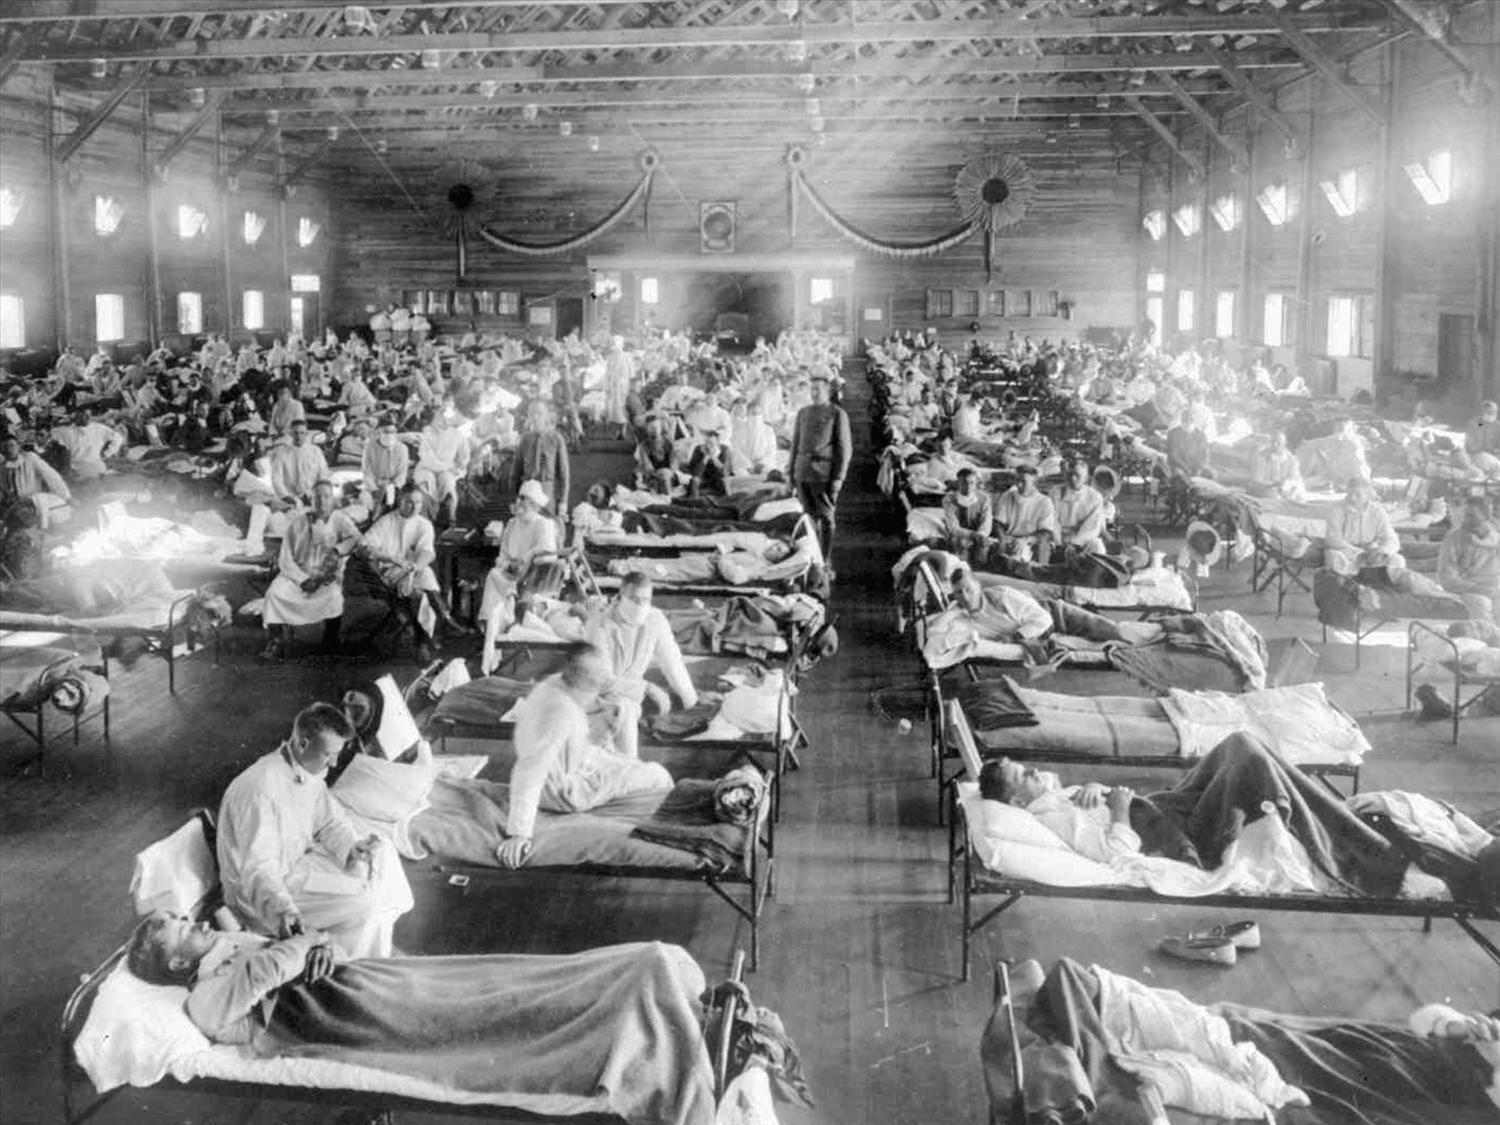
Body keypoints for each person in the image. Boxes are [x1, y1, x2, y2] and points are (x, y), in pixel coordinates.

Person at [977, 731, 1409, 897]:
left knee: (1239, 743)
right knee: (1251, 764)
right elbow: (1113, 854)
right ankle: (1366, 855)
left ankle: (1330, 822)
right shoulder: (1054, 819)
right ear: (1018, 803)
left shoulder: (1051, 797)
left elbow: (1071, 793)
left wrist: (1096, 788)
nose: (1036, 771)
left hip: (1168, 807)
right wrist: (1120, 808)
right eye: (1026, 775)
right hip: (1183, 837)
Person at [215, 703, 412, 960]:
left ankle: (370, 944)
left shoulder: (307, 770)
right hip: (261, 898)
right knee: (364, 901)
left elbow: (330, 822)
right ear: (303, 744)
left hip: (293, 868)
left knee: (382, 851)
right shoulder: (260, 789)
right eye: (329, 754)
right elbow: (257, 869)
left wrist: (352, 847)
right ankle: (353, 966)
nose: (335, 761)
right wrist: (283, 911)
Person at [496, 643, 673, 868]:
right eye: (597, 681)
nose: (602, 685)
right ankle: (664, 830)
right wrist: (519, 833)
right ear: (584, 679)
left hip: (575, 764)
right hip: (565, 792)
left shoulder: (554, 684)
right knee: (658, 774)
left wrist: (647, 688)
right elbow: (530, 770)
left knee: (626, 758)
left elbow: (606, 680)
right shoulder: (560, 712)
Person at [584, 572, 701, 758]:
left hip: (629, 696)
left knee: (628, 709)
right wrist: (647, 687)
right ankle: (629, 766)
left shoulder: (655, 619)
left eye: (645, 600)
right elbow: (599, 680)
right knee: (623, 711)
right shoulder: (601, 622)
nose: (639, 605)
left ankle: (627, 767)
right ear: (621, 595)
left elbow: (672, 660)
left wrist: (691, 700)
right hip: (597, 695)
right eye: (634, 599)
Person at [260, 479, 362, 661]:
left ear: (333, 499)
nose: (322, 502)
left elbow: (356, 537)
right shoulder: (298, 522)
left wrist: (338, 550)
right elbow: (285, 558)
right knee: (274, 594)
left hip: (325, 576)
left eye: (326, 497)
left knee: (333, 597)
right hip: (296, 575)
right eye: (317, 497)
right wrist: (302, 580)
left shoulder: (340, 519)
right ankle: (276, 641)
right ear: (311, 500)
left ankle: (330, 640)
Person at [359, 483, 461, 662]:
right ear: (400, 500)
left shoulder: (424, 524)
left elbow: (427, 552)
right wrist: (391, 558)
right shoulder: (387, 521)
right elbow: (363, 546)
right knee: (418, 594)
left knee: (425, 574)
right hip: (390, 573)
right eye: (409, 502)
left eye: (419, 503)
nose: (414, 507)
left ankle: (439, 624)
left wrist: (414, 567)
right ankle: (427, 636)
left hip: (413, 570)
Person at [478, 478, 561, 648]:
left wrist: (526, 559)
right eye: (520, 499)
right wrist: (508, 565)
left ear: (536, 505)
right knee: (493, 574)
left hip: (532, 576)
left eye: (526, 501)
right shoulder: (511, 524)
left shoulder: (544, 524)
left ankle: (504, 625)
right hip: (510, 573)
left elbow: (548, 552)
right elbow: (502, 555)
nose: (521, 504)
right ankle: (492, 627)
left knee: (503, 582)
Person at [788, 371, 851, 563]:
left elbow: (844, 448)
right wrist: (791, 472)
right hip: (802, 471)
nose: (814, 393)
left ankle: (826, 558)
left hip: (823, 474)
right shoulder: (803, 412)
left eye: (818, 389)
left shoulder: (836, 413)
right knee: (808, 518)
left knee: (826, 517)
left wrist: (838, 477)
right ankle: (813, 558)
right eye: (812, 389)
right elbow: (795, 445)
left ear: (828, 391)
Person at [1323, 476, 1405, 577]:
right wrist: (1359, 554)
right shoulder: (1336, 509)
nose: (1353, 498)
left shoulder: (1377, 511)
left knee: (1398, 560)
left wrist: (1382, 551)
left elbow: (1391, 538)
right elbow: (1333, 540)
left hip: (1371, 553)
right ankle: (1354, 578)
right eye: (1350, 494)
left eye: (1358, 495)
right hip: (1345, 552)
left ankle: (1378, 578)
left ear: (1367, 495)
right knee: (1333, 558)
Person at [1437, 496, 1500, 625]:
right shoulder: (1453, 539)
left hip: (1494, 588)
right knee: (1480, 603)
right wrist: (1478, 588)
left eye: (1472, 516)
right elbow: (1446, 578)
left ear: (1486, 518)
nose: (1466, 520)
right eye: (1465, 515)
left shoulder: (1496, 539)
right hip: (1469, 589)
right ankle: (1490, 639)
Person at [413, 401, 470, 526]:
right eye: (441, 415)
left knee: (448, 486)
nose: (445, 420)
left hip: (447, 471)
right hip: (426, 468)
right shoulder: (427, 431)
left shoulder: (457, 434)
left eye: (448, 417)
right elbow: (426, 456)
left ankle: (451, 520)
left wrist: (459, 467)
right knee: (425, 484)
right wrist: (446, 466)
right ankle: (424, 522)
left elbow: (463, 457)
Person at [511, 399, 571, 516]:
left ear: (546, 416)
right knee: (526, 526)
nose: (535, 417)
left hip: (546, 489)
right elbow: (515, 473)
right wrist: (514, 498)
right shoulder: (524, 439)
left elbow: (564, 474)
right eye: (532, 414)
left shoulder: (556, 439)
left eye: (539, 413)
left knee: (547, 527)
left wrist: (563, 501)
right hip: (527, 489)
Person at [0, 431, 71, 528]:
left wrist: (64, 496)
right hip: (14, 509)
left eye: (11, 445)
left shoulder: (30, 458)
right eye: (4, 447)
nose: (8, 449)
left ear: (18, 446)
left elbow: (51, 476)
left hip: (34, 505)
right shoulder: (2, 468)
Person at [991, 464, 1059, 564]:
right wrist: (1003, 538)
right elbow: (998, 522)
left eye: (1023, 481)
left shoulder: (1044, 502)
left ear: (1034, 482)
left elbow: (1045, 532)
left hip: (1032, 541)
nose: (1018, 485)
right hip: (1010, 539)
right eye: (1017, 480)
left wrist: (1025, 540)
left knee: (1025, 561)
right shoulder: (1008, 496)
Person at [1051, 459, 1108, 556]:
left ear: (1086, 478)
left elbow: (1092, 525)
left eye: (1077, 475)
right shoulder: (1055, 493)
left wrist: (1074, 542)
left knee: (1098, 547)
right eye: (1070, 475)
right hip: (1059, 537)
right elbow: (1052, 520)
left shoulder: (1094, 497)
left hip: (1083, 538)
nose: (1073, 478)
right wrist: (1059, 541)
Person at [268, 418, 330, 506]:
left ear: (306, 434)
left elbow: (323, 474)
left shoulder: (316, 451)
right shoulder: (281, 452)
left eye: (302, 433)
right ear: (290, 434)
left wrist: (316, 494)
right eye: (295, 433)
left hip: (313, 496)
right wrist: (285, 496)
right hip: (290, 497)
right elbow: (276, 477)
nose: (299, 436)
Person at [51, 409, 123, 480]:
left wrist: (107, 453)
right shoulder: (99, 428)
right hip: (94, 469)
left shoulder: (64, 431)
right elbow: (118, 438)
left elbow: (118, 438)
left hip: (80, 471)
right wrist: (107, 454)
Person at [360, 414, 410, 514]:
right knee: (366, 502)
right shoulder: (370, 447)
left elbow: (402, 473)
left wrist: (395, 488)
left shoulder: (402, 449)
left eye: (392, 432)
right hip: (374, 486)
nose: (389, 435)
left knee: (395, 507)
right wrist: (374, 490)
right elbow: (367, 472)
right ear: (379, 432)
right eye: (386, 432)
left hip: (393, 486)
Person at [942, 468, 994, 564]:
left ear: (976, 483)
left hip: (980, 535)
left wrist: (981, 534)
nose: (968, 487)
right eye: (964, 483)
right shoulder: (949, 499)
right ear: (958, 483)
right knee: (960, 556)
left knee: (983, 553)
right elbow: (953, 527)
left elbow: (986, 521)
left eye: (972, 483)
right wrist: (972, 535)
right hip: (959, 535)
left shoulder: (984, 498)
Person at [728, 397, 778, 475]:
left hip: (764, 463)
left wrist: (761, 463)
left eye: (758, 414)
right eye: (753, 413)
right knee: (743, 476)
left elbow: (772, 449)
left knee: (770, 474)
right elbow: (736, 450)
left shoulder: (768, 430)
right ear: (747, 414)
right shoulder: (738, 430)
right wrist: (748, 465)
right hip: (743, 465)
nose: (756, 417)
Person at [1250, 430, 1304, 499]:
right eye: (1273, 442)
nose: (1275, 445)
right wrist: (1273, 485)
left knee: (1297, 496)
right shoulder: (1261, 457)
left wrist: (1286, 485)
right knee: (1274, 497)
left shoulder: (1292, 460)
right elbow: (1257, 480)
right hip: (1265, 491)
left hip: (1286, 491)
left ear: (1284, 443)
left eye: (1278, 442)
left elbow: (1294, 478)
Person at [634, 414, 679, 493]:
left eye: (657, 427)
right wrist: (656, 474)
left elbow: (674, 461)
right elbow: (647, 466)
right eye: (651, 428)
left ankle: (668, 496)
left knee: (666, 478)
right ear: (647, 430)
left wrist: (670, 472)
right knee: (655, 484)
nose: (655, 430)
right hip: (653, 474)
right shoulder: (644, 446)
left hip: (668, 473)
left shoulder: (668, 443)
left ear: (661, 428)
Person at [684, 428, 732, 498]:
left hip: (718, 478)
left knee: (725, 480)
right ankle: (696, 501)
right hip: (703, 478)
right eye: (706, 442)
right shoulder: (698, 449)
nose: (708, 446)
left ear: (717, 443)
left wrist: (713, 457)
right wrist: (705, 458)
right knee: (695, 480)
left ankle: (729, 500)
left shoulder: (725, 450)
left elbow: (725, 472)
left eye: (711, 443)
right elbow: (694, 472)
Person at [602, 334, 633, 440]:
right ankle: (616, 432)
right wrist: (607, 387)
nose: (616, 350)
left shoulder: (627, 357)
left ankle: (623, 431)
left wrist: (630, 388)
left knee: (623, 408)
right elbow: (607, 374)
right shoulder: (610, 358)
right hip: (613, 387)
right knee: (614, 410)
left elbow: (631, 373)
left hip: (623, 386)